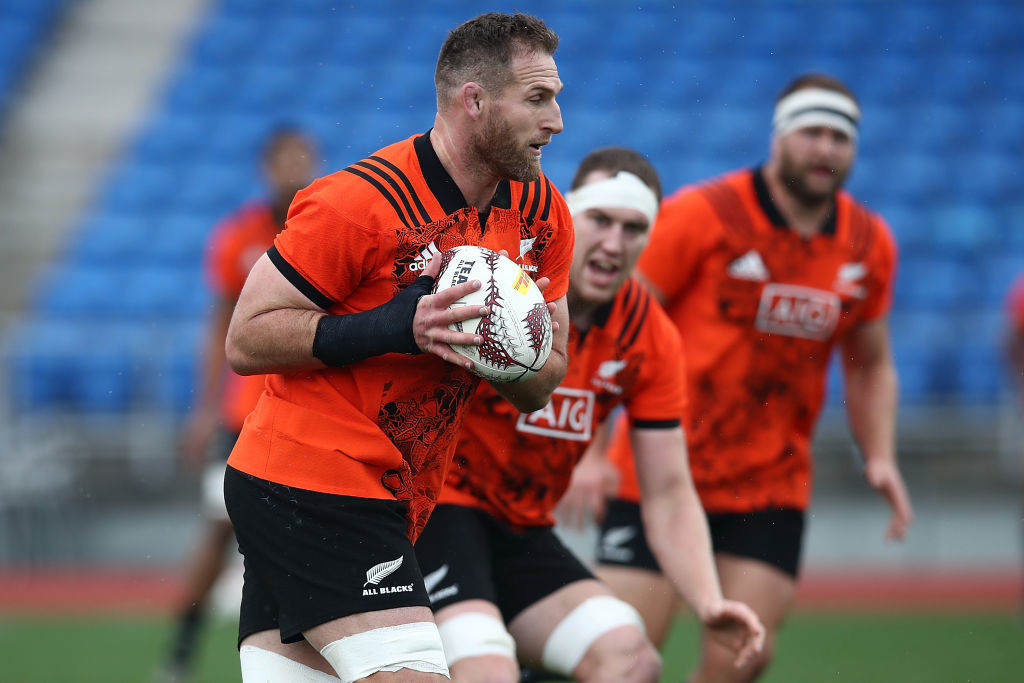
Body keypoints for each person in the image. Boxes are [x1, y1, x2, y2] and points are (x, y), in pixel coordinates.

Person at [221, 12, 574, 683]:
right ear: (474, 100)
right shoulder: (357, 201)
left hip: (397, 492)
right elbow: (247, 335)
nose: (556, 120)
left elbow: (545, 381)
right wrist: (396, 325)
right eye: (537, 98)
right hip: (310, 478)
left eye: (556, 98)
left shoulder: (542, 214)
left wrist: (500, 351)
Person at [574, 73, 915, 682]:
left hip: (771, 483)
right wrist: (592, 450)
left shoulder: (868, 243)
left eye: (840, 136)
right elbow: (610, 323)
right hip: (659, 470)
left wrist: (881, 455)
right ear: (779, 137)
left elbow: (871, 361)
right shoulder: (705, 215)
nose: (826, 148)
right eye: (812, 131)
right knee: (622, 656)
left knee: (745, 658)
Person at [414, 147, 765, 683]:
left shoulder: (649, 334)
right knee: (486, 667)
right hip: (436, 513)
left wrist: (708, 601)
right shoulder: (501, 288)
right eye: (600, 219)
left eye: (634, 227)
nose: (614, 242)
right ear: (567, 217)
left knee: (632, 661)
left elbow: (668, 490)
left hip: (521, 527)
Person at [156, 127, 318, 683]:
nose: (293, 166)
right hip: (243, 412)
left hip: (305, 408)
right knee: (219, 526)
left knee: (307, 530)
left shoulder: (324, 227)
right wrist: (205, 407)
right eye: (283, 157)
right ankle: (182, 645)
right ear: (265, 166)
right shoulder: (239, 235)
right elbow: (218, 322)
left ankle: (305, 649)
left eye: (303, 156)